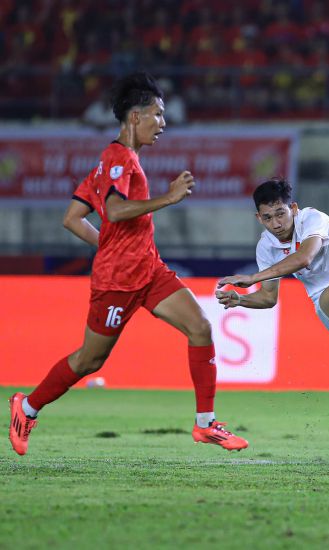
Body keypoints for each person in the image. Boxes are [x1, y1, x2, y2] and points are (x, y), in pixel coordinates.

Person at [8, 72, 248, 456]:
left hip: (148, 270)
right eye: (157, 114)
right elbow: (116, 211)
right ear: (135, 117)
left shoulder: (113, 161)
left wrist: (108, 244)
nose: (163, 123)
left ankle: (206, 425)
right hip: (117, 282)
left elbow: (72, 218)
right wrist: (168, 199)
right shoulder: (117, 158)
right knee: (90, 360)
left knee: (201, 327)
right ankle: (28, 406)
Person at [215, 179, 329, 471]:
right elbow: (268, 299)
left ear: (294, 209)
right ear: (258, 218)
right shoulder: (267, 248)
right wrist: (240, 301)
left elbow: (305, 257)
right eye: (268, 217)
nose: (276, 223)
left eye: (281, 213)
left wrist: (251, 277)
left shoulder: (314, 219)